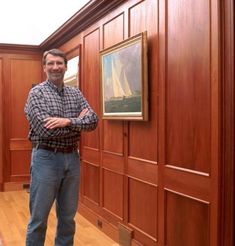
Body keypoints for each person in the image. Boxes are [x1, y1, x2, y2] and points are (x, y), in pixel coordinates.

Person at [24, 48, 98, 246]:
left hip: (72, 158)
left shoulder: (76, 93)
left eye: (59, 63)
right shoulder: (36, 93)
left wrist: (66, 122)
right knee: (38, 220)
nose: (55, 67)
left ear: (66, 66)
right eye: (51, 63)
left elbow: (93, 121)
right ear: (44, 67)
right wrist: (77, 122)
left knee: (68, 219)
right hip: (45, 158)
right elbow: (44, 130)